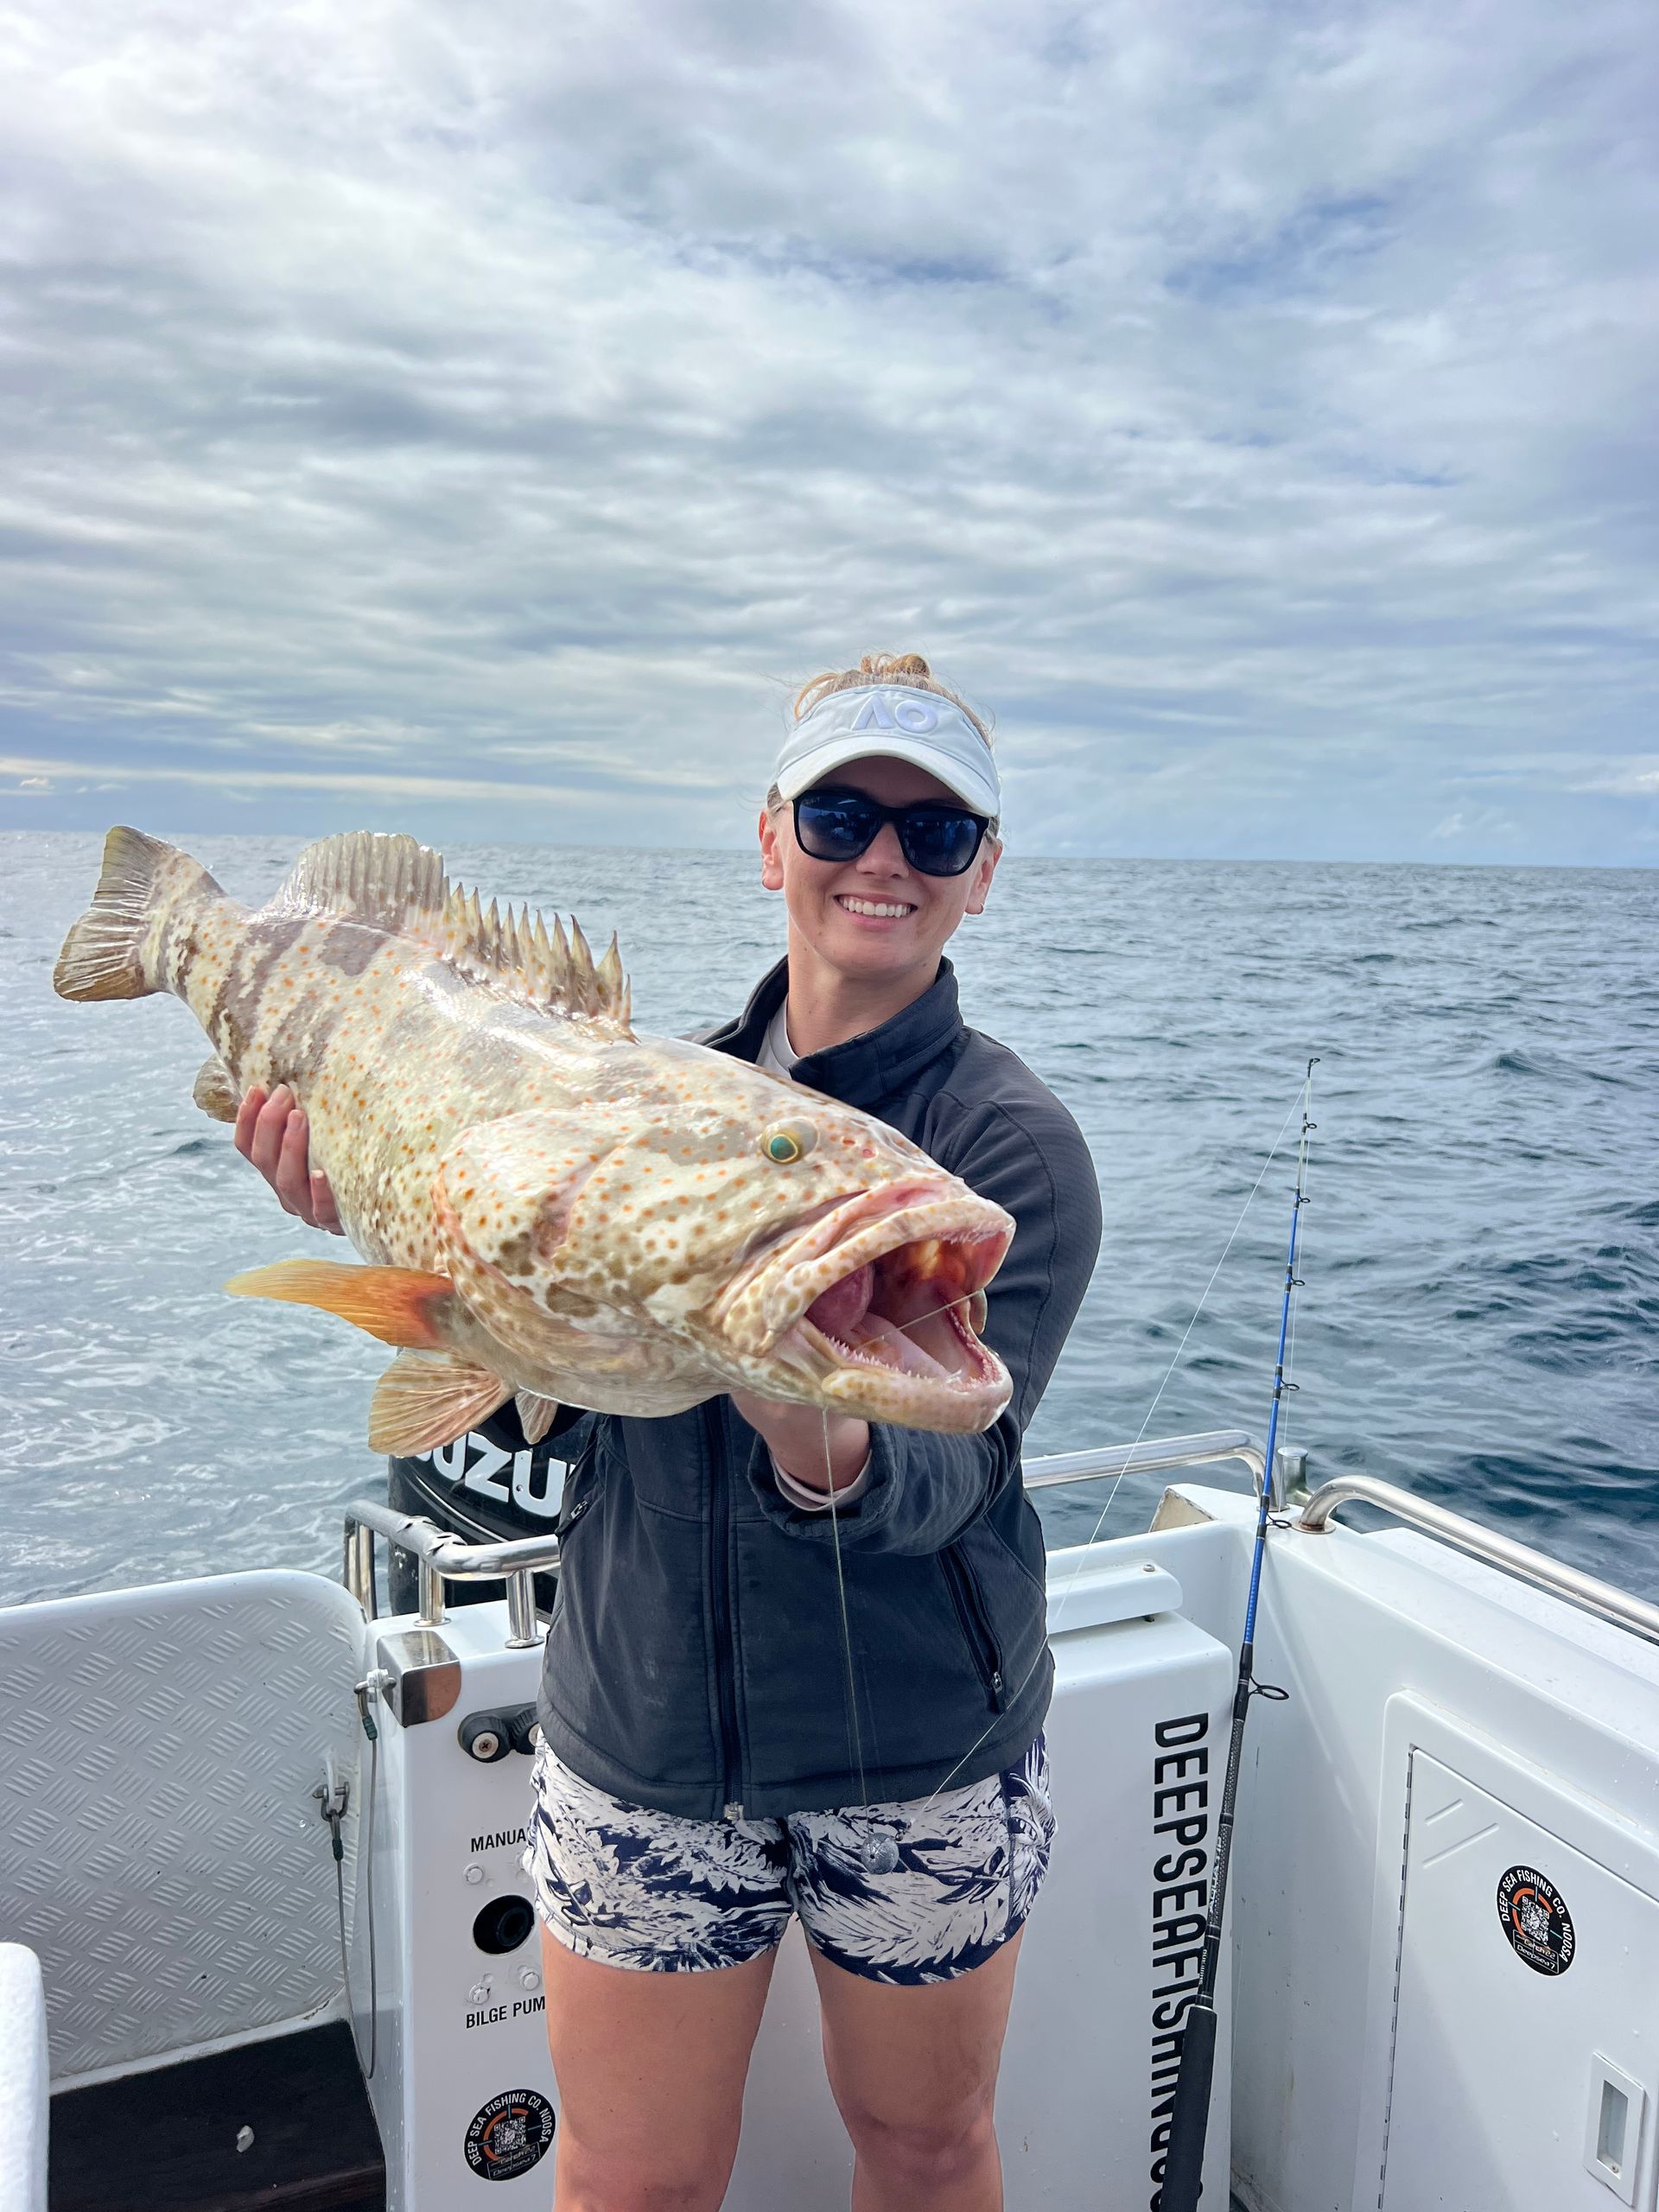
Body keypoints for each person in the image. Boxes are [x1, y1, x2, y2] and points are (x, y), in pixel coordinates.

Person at [235, 652, 1101, 2212]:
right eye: (841, 816)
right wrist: (392, 1239)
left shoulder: (1003, 1149)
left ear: (985, 876)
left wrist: (798, 1403)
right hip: (644, 1737)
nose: (882, 862)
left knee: (924, 2145)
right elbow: (548, 1417)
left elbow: (955, 1465)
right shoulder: (636, 1095)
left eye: (936, 833)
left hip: (919, 1755)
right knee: (633, 2181)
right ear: (772, 841)